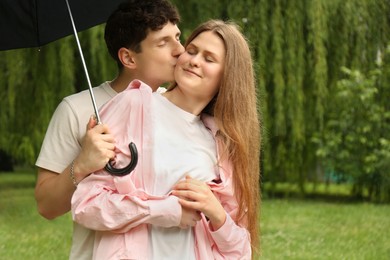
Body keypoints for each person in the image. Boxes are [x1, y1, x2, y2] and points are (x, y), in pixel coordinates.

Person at [71, 19, 261, 259]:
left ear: (228, 77)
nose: (194, 60)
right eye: (191, 51)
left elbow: (240, 252)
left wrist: (217, 214)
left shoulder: (219, 142)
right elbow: (87, 206)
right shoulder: (133, 106)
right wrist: (163, 210)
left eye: (209, 59)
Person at [34, 0, 184, 259]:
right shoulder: (76, 109)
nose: (180, 50)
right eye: (163, 43)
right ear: (128, 57)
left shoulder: (181, 109)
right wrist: (81, 165)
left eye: (178, 37)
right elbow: (47, 206)